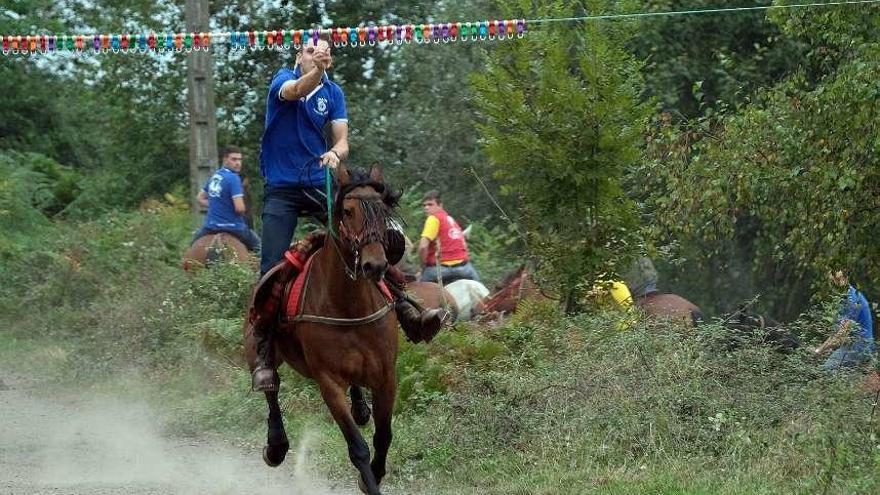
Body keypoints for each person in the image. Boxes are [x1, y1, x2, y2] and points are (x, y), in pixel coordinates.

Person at [250, 37, 446, 391]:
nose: (316, 55)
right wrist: (318, 69)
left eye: (322, 51)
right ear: (299, 55)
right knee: (270, 268)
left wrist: (336, 155)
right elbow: (297, 90)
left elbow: (341, 139)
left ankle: (406, 308)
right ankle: (265, 353)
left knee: (364, 237)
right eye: (310, 50)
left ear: (330, 58)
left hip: (319, 182)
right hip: (281, 189)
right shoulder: (282, 80)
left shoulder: (333, 92)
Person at [192, 146, 261, 252]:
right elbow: (240, 208)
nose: (238, 163)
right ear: (225, 160)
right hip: (234, 227)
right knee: (260, 249)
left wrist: (217, 205)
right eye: (234, 159)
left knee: (192, 246)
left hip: (210, 227)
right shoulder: (234, 178)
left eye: (240, 160)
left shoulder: (215, 176)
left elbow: (200, 198)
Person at [815, 270, 876, 371]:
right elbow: (837, 333)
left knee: (824, 371)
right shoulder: (841, 299)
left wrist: (819, 350)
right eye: (832, 281)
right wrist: (823, 349)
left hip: (859, 347)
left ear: (846, 279)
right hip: (851, 345)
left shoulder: (852, 299)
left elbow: (840, 336)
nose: (835, 283)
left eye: (839, 280)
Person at [418, 190, 480, 284]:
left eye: (430, 204)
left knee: (416, 295)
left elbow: (423, 247)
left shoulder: (433, 219)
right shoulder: (451, 220)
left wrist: (423, 267)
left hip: (439, 270)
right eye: (424, 205)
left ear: (440, 205)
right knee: (485, 295)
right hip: (464, 268)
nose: (426, 208)